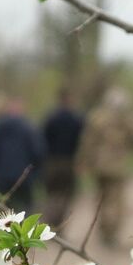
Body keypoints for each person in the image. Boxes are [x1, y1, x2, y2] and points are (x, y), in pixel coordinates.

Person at [78, 87, 133, 246]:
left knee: (101, 199)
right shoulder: (127, 121)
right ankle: (110, 232)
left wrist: (85, 162)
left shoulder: (97, 118)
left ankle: (104, 230)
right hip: (118, 167)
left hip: (99, 166)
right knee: (115, 201)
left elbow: (87, 142)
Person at [0, 96, 45, 213]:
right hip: (25, 178)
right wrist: (34, 173)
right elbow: (38, 152)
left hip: (3, 177)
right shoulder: (29, 127)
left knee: (5, 211)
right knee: (27, 209)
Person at [41, 89, 86, 227]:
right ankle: (59, 224)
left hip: (52, 161)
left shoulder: (50, 118)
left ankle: (50, 222)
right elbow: (82, 142)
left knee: (52, 194)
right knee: (66, 195)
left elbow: (42, 139)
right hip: (69, 162)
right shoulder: (77, 119)